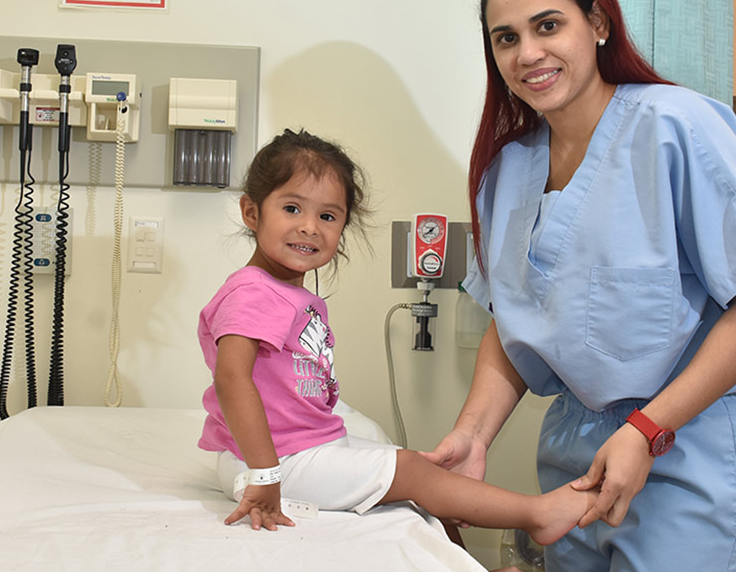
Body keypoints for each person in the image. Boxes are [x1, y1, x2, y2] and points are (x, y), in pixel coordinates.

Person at [422, 0, 736, 572]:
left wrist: (647, 430)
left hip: (689, 444)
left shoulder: (675, 127)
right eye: (505, 38)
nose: (528, 54)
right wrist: (473, 434)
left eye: (548, 25)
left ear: (598, 23)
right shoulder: (508, 171)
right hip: (573, 455)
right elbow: (514, 318)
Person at [197, 127, 595, 551]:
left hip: (293, 449)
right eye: (292, 208)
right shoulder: (253, 292)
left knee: (420, 478)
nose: (310, 228)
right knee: (411, 470)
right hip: (269, 461)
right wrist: (264, 475)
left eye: (328, 217)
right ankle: (538, 516)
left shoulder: (289, 293)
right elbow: (232, 379)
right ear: (252, 213)